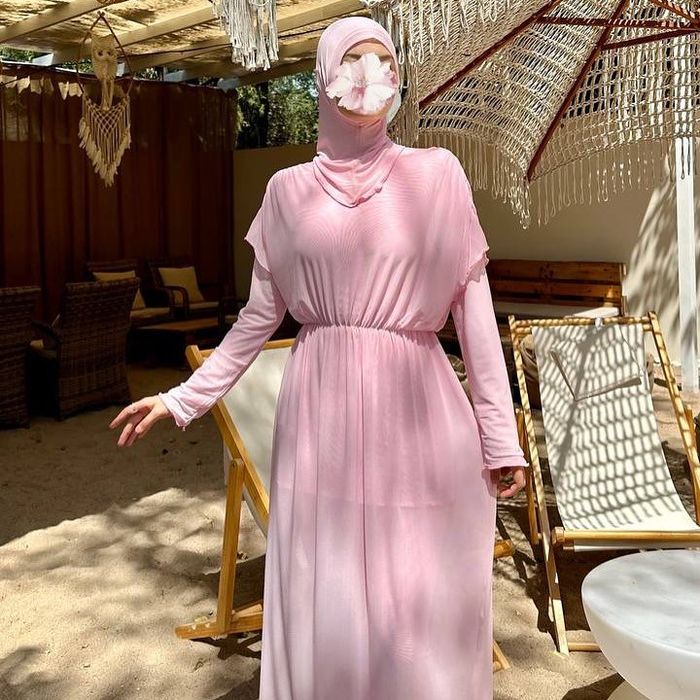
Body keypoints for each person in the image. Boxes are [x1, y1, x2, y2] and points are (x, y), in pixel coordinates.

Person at [110, 16, 528, 700]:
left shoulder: (437, 175)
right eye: (352, 58)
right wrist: (183, 397)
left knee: (413, 585)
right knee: (326, 580)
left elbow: (473, 311)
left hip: (417, 413)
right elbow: (256, 319)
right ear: (324, 75)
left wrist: (499, 438)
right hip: (321, 420)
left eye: (383, 60)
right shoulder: (287, 191)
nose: (369, 74)